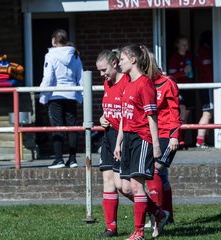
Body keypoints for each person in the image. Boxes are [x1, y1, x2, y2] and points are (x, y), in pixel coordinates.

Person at [114, 44, 169, 240]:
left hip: (142, 138)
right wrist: (118, 142)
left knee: (137, 187)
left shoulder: (145, 84)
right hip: (128, 138)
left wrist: (155, 145)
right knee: (125, 187)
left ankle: (138, 232)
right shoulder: (127, 83)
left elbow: (151, 117)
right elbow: (123, 116)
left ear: (133, 60)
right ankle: (159, 214)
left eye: (122, 59)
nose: (119, 63)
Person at [96, 49, 131, 237]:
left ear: (115, 64)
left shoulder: (127, 82)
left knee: (123, 186)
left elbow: (128, 113)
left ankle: (156, 211)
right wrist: (102, 118)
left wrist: (121, 141)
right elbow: (108, 109)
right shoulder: (107, 84)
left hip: (123, 137)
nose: (102, 75)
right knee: (107, 181)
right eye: (100, 72)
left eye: (104, 70)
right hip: (108, 136)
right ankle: (111, 227)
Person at [145, 52, 181, 228]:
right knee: (162, 177)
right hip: (150, 135)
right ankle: (168, 215)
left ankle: (157, 216)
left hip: (167, 135)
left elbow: (175, 111)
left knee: (156, 171)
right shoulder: (142, 84)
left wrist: (175, 135)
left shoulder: (168, 83)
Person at [39, 29, 83, 169]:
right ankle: (73, 159)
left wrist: (43, 97)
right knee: (72, 127)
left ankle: (58, 159)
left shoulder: (50, 55)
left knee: (57, 127)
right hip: (71, 95)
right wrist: (81, 96)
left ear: (53, 41)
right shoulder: (75, 55)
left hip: (56, 95)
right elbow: (80, 76)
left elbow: (48, 78)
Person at [168, 35, 196, 149]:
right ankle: (179, 140)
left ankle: (182, 138)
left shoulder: (190, 56)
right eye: (183, 44)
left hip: (190, 87)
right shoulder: (174, 58)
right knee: (181, 113)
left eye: (186, 44)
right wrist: (183, 72)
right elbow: (171, 75)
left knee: (186, 116)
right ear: (177, 45)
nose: (185, 46)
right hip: (180, 88)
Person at [196, 31, 214, 149]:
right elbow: (208, 71)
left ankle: (203, 140)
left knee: (209, 113)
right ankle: (200, 141)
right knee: (207, 112)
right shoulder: (204, 51)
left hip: (206, 85)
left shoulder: (203, 51)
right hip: (207, 86)